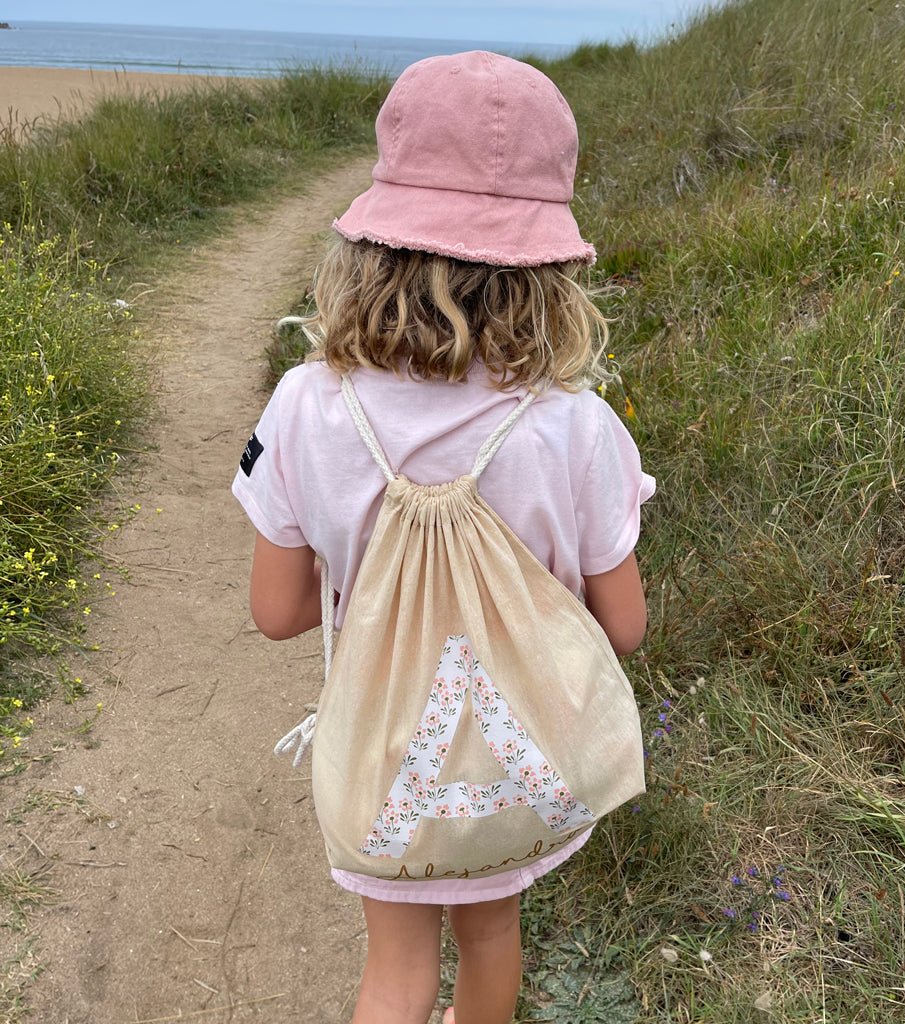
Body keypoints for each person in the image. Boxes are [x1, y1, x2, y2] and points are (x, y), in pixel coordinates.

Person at [232, 50, 655, 1024]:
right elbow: (622, 628)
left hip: (381, 751)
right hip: (514, 767)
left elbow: (276, 610)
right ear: (551, 264)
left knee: (393, 970)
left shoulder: (306, 404)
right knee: (492, 938)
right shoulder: (577, 424)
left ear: (373, 242)